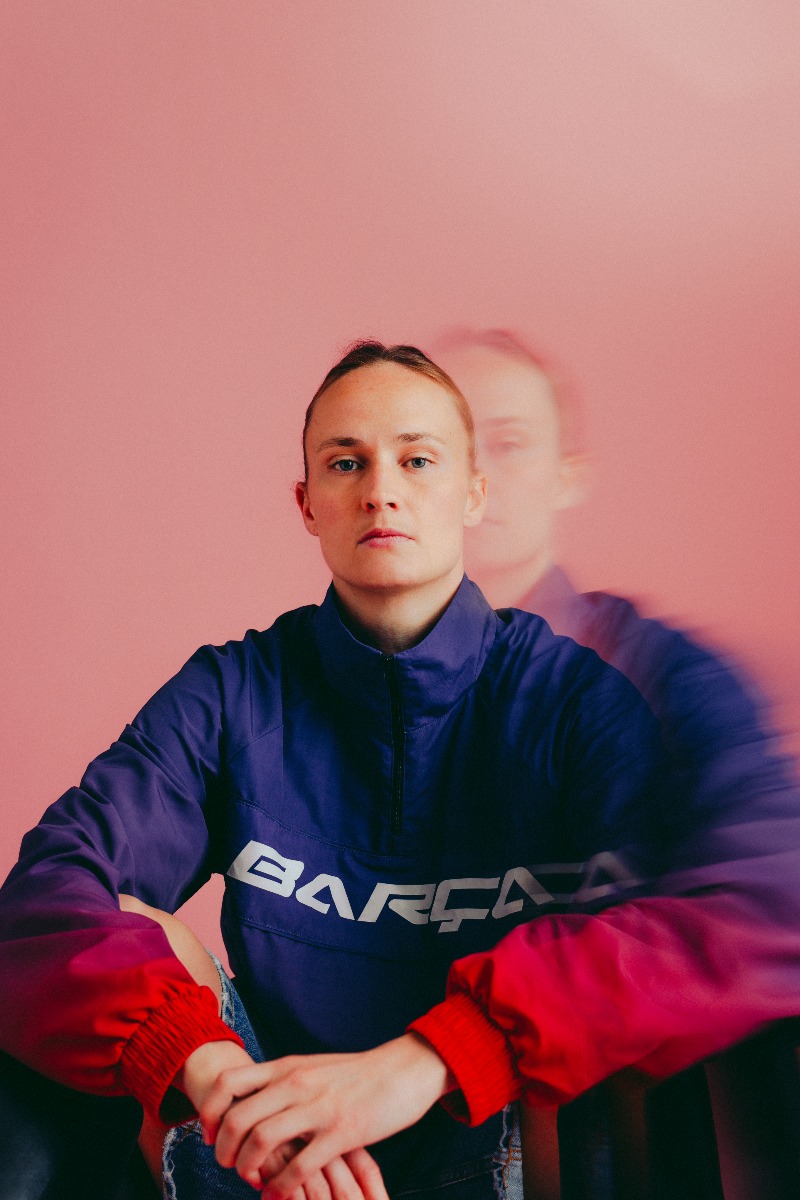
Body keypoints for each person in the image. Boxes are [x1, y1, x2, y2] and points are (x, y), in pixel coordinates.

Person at [1, 342, 798, 1200]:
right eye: (347, 462)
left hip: (506, 1135)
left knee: (639, 1001)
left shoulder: (580, 699)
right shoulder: (232, 693)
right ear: (307, 504)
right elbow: (49, 893)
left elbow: (702, 928)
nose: (381, 489)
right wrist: (209, 1070)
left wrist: (433, 1058)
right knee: (113, 945)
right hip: (271, 1155)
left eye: (418, 460)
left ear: (473, 493)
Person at [435, 327, 800, 1195]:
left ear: (569, 475)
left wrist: (488, 1030)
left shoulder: (668, 676)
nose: (475, 475)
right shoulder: (292, 694)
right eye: (439, 448)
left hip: (606, 1131)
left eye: (508, 442)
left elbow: (774, 899)